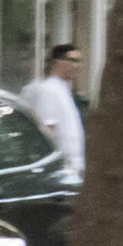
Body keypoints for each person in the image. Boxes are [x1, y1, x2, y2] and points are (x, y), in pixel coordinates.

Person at [23, 44, 86, 182]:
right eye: (73, 60)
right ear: (58, 62)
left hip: (74, 169)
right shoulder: (49, 89)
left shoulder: (65, 90)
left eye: (78, 61)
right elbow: (48, 130)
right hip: (62, 171)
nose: (77, 66)